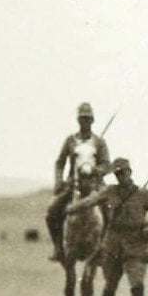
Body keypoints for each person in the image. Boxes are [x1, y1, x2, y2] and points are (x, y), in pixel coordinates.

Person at [67, 157, 148, 296]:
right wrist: (72, 209)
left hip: (135, 245)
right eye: (117, 174)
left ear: (130, 172)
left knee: (137, 284)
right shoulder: (109, 192)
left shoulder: (145, 195)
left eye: (123, 172)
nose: (120, 176)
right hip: (112, 245)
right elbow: (90, 201)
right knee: (110, 285)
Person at [45, 102, 111, 262]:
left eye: (87, 119)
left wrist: (97, 171)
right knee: (52, 212)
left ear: (92, 121)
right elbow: (60, 163)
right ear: (78, 120)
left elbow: (107, 165)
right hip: (73, 184)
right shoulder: (70, 141)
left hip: (96, 184)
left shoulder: (99, 142)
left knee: (110, 209)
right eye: (82, 118)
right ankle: (58, 248)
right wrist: (58, 181)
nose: (85, 122)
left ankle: (104, 248)